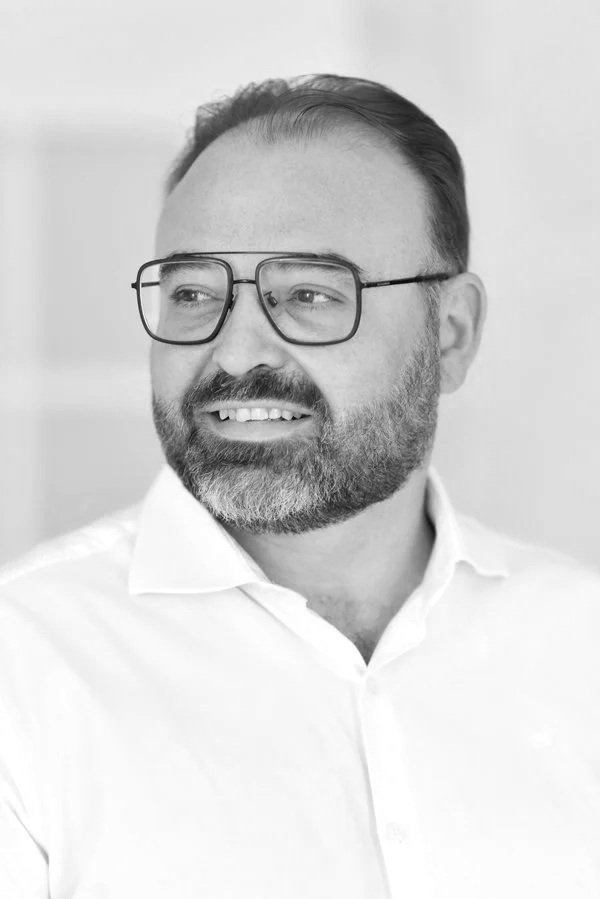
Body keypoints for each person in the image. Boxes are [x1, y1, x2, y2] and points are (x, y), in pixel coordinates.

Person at [1, 74, 599, 899]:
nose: (237, 349)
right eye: (194, 293)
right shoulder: (23, 671)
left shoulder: (580, 644)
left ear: (451, 333)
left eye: (310, 294)